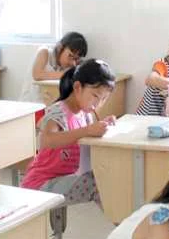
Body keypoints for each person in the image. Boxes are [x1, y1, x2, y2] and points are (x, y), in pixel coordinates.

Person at [20, 59, 116, 206]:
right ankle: (123, 224)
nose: (98, 104)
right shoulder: (59, 111)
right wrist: (87, 130)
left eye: (103, 99)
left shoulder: (85, 114)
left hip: (64, 179)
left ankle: (123, 222)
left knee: (107, 176)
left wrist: (103, 125)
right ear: (77, 87)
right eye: (95, 96)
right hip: (40, 184)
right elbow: (47, 140)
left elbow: (88, 139)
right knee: (98, 183)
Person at [19, 32, 88, 102]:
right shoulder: (44, 51)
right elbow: (37, 75)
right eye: (70, 56)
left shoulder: (68, 65)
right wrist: (67, 74)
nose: (72, 63)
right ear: (60, 47)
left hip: (47, 105)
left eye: (76, 59)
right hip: (30, 104)